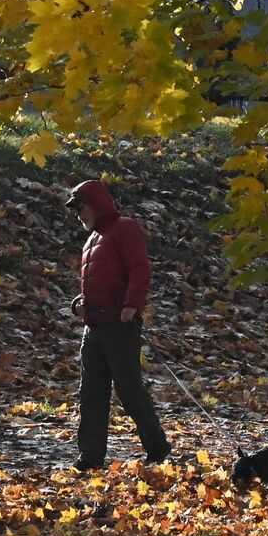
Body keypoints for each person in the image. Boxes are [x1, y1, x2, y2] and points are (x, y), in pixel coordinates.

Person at [66, 179, 170, 469]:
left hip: (119, 327)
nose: (78, 214)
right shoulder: (91, 240)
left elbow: (140, 268)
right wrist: (78, 304)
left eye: (81, 206)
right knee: (91, 393)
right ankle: (90, 456)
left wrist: (131, 305)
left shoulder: (125, 228)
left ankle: (157, 447)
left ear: (96, 204)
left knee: (129, 390)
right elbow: (95, 283)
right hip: (94, 328)